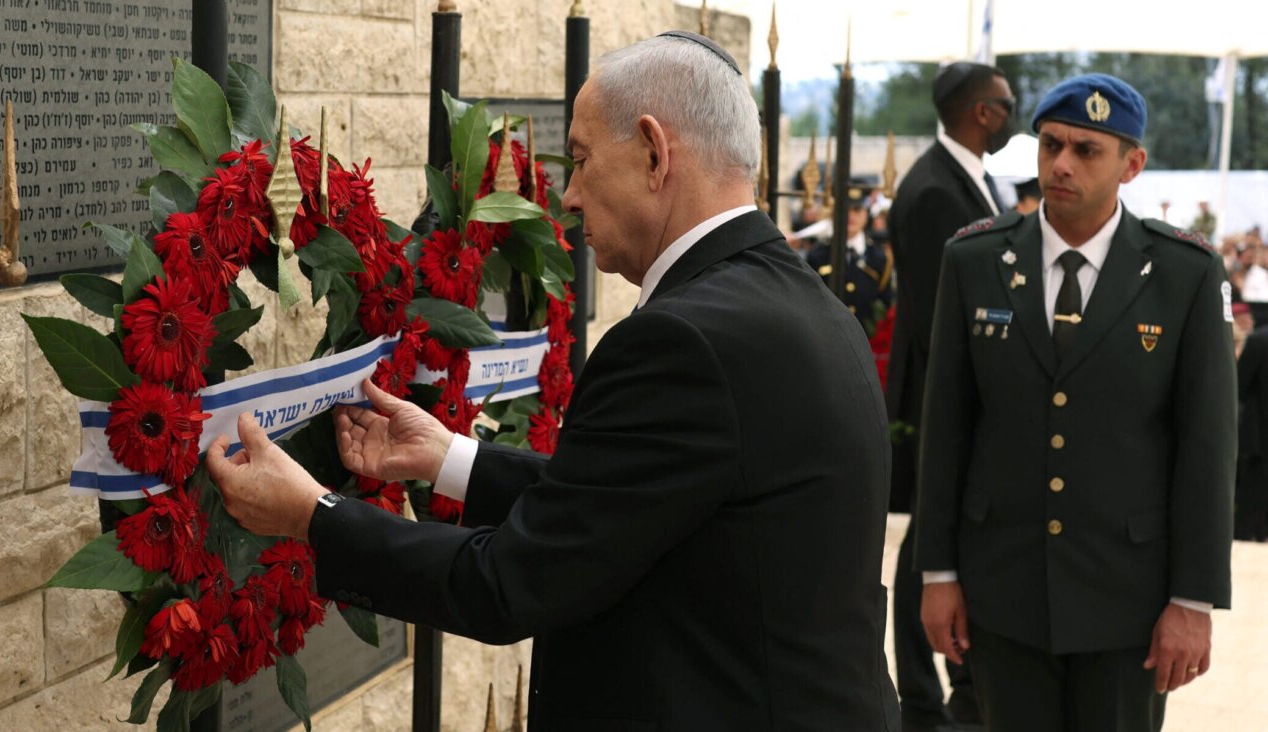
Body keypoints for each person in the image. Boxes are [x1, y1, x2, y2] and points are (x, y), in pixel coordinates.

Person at [206, 32, 900, 731]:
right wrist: (447, 459)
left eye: (580, 158)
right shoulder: (796, 301)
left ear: (655, 153)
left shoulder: (683, 341)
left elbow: (512, 583)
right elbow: (631, 507)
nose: (566, 195)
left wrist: (313, 515)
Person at [915, 73, 1235, 731]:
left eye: (1087, 150)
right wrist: (937, 572)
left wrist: (1193, 600)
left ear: (1132, 164)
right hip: (1003, 589)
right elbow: (947, 425)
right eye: (1051, 144)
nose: (1061, 164)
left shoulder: (1184, 274)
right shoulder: (975, 259)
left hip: (1130, 601)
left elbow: (1206, 444)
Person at [886, 60, 1015, 732]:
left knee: (935, 534)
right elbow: (944, 311)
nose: (1013, 112)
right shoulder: (937, 189)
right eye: (1007, 102)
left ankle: (945, 680)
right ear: (982, 112)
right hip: (944, 384)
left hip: (959, 382)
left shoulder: (975, 178)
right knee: (929, 538)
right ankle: (918, 687)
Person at [807, 181, 895, 327]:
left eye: (857, 210)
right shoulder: (818, 255)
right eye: (845, 210)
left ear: (866, 214)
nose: (851, 216)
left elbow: (885, 306)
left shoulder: (880, 257)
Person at [1235, 301, 1268, 542]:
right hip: (1258, 438)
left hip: (1258, 434)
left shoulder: (1258, 340)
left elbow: (1239, 383)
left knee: (1251, 498)